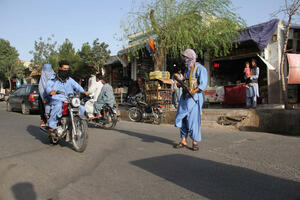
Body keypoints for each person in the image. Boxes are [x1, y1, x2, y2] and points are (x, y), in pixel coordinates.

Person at [174, 49, 208, 151]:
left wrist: (194, 91)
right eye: (184, 58)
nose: (185, 60)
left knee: (193, 120)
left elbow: (203, 84)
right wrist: (179, 83)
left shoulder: (201, 69)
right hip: (184, 98)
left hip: (194, 99)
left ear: (191, 57)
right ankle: (183, 139)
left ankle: (195, 141)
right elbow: (185, 83)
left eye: (186, 58)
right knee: (183, 118)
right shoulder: (187, 70)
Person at [46, 60, 88, 135]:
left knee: (81, 107)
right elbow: (48, 87)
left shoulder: (69, 80)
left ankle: (78, 125)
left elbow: (77, 86)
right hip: (57, 99)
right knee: (58, 106)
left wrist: (84, 91)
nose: (66, 71)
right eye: (64, 69)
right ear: (60, 68)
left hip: (69, 99)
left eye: (67, 69)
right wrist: (50, 91)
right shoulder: (54, 79)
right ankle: (52, 126)